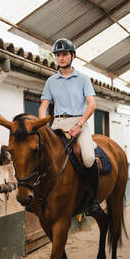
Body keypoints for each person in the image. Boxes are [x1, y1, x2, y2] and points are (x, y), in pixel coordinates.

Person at [38, 38, 104, 216]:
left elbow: (91, 105)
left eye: (64, 54)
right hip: (57, 123)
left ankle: (93, 201)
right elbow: (43, 107)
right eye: (58, 55)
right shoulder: (51, 81)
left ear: (72, 56)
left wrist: (79, 125)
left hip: (79, 122)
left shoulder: (83, 78)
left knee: (89, 158)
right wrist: (42, 126)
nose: (61, 58)